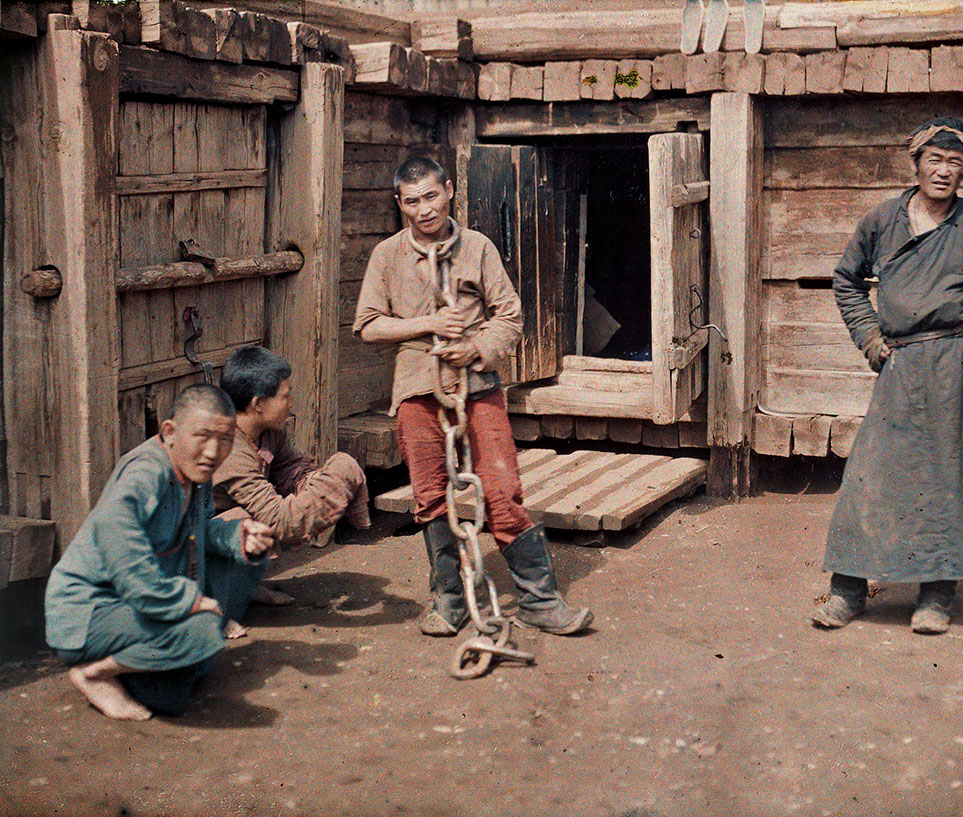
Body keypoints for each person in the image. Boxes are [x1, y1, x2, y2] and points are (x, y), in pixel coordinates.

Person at [811, 116, 963, 635]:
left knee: (950, 483)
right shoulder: (882, 221)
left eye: (956, 164)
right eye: (935, 160)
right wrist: (869, 337)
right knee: (871, 477)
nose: (944, 172)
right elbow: (847, 280)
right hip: (902, 364)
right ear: (916, 163)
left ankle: (937, 597)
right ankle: (847, 591)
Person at [353, 156, 592, 637]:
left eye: (432, 196)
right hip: (417, 387)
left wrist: (476, 349)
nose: (424, 210)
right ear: (400, 204)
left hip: (477, 387)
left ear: (450, 191)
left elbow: (510, 316)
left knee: (501, 489)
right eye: (413, 201)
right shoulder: (387, 255)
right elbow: (369, 325)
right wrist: (429, 324)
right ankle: (450, 598)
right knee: (429, 493)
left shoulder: (478, 247)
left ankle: (539, 601)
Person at [44, 384, 275, 720]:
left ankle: (141, 665)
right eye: (202, 436)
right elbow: (123, 555)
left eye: (224, 439)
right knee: (201, 630)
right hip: (87, 612)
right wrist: (187, 603)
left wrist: (238, 536)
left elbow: (194, 534)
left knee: (175, 692)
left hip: (131, 607)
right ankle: (93, 673)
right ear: (170, 431)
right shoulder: (143, 475)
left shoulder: (195, 474)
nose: (213, 451)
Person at [212, 345, 373, 633]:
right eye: (285, 396)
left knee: (284, 506)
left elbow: (295, 470)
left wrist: (321, 484)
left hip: (228, 544)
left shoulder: (268, 433)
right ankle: (214, 609)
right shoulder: (229, 448)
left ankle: (246, 586)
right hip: (195, 547)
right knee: (246, 520)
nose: (290, 403)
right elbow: (281, 522)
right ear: (257, 404)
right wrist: (339, 475)